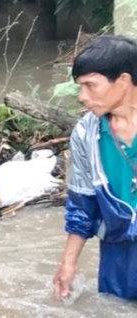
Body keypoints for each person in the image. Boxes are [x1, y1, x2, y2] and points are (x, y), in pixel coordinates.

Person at [54, 35, 137, 301]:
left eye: (91, 85)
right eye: (80, 86)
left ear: (123, 81)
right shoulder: (86, 134)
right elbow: (82, 203)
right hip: (119, 253)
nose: (82, 97)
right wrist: (68, 263)